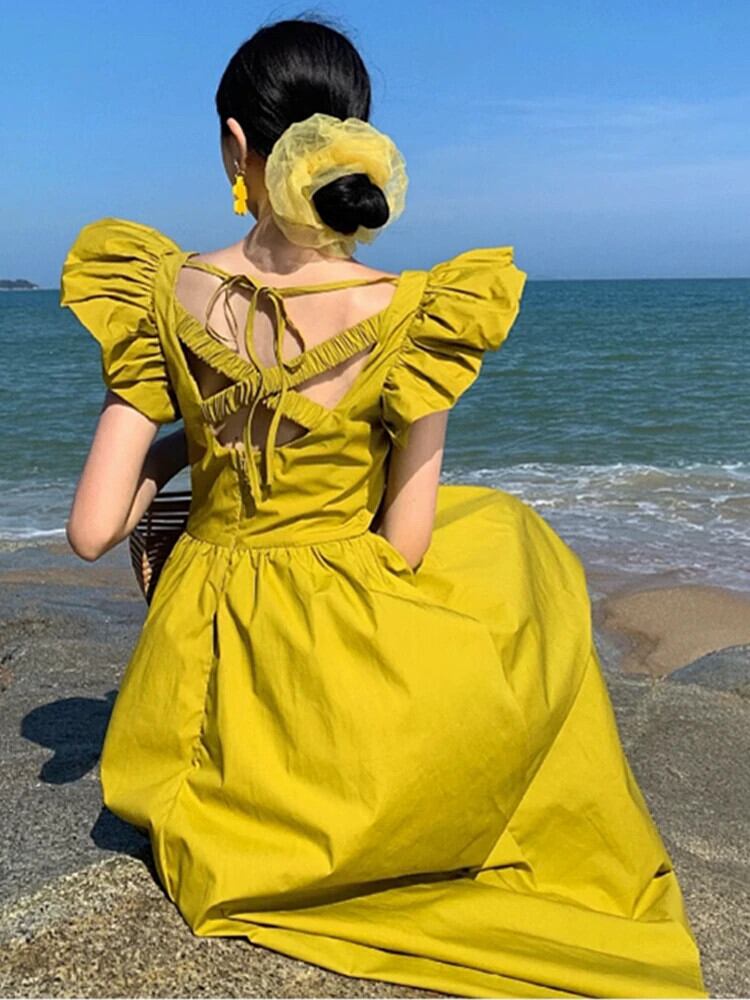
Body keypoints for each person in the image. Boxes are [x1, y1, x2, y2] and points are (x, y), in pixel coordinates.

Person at [59, 16, 708, 1000]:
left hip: (209, 645)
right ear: (355, 143)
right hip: (335, 636)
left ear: (235, 146)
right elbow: (402, 545)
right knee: (518, 550)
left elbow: (91, 532)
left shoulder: (160, 290)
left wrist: (179, 448)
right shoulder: (413, 311)